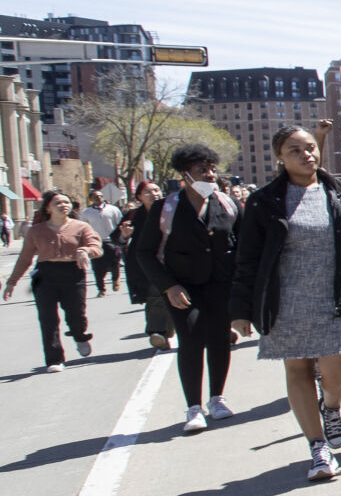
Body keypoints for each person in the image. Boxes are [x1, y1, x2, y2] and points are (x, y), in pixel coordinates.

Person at [230, 126, 341, 481]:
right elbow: (248, 258)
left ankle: (331, 407)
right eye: (295, 150)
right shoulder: (264, 201)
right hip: (285, 302)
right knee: (298, 371)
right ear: (280, 158)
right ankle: (317, 446)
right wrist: (241, 310)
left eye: (309, 148)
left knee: (340, 374)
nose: (306, 155)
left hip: (337, 298)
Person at [134, 145, 242, 433]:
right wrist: (168, 286)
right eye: (201, 171)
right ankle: (194, 407)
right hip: (182, 287)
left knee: (220, 340)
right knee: (191, 340)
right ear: (185, 175)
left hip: (220, 285)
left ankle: (217, 398)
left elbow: (243, 246)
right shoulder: (165, 208)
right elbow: (144, 252)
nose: (208, 175)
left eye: (211, 169)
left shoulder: (228, 204)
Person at [4, 189, 103, 371]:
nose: (63, 205)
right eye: (58, 203)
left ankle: (79, 335)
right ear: (48, 208)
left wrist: (85, 250)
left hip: (73, 274)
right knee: (47, 318)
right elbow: (25, 258)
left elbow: (96, 246)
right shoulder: (36, 231)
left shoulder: (81, 227)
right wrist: (12, 282)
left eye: (66, 202)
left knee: (77, 316)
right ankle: (54, 359)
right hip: (45, 275)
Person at [120, 182, 175, 349]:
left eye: (156, 190)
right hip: (147, 263)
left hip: (174, 260)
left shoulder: (173, 209)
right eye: (147, 192)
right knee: (156, 296)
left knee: (179, 297)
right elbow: (117, 238)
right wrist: (124, 236)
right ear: (139, 196)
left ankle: (169, 330)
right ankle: (157, 332)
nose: (153, 194)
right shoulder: (133, 215)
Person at [78, 191, 123, 297]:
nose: (98, 198)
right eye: (95, 196)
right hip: (95, 243)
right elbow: (83, 228)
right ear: (91, 199)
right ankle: (101, 289)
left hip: (112, 241)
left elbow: (120, 223)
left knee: (115, 263)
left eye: (100, 196)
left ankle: (115, 279)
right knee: (97, 267)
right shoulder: (86, 212)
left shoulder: (113, 209)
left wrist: (120, 238)